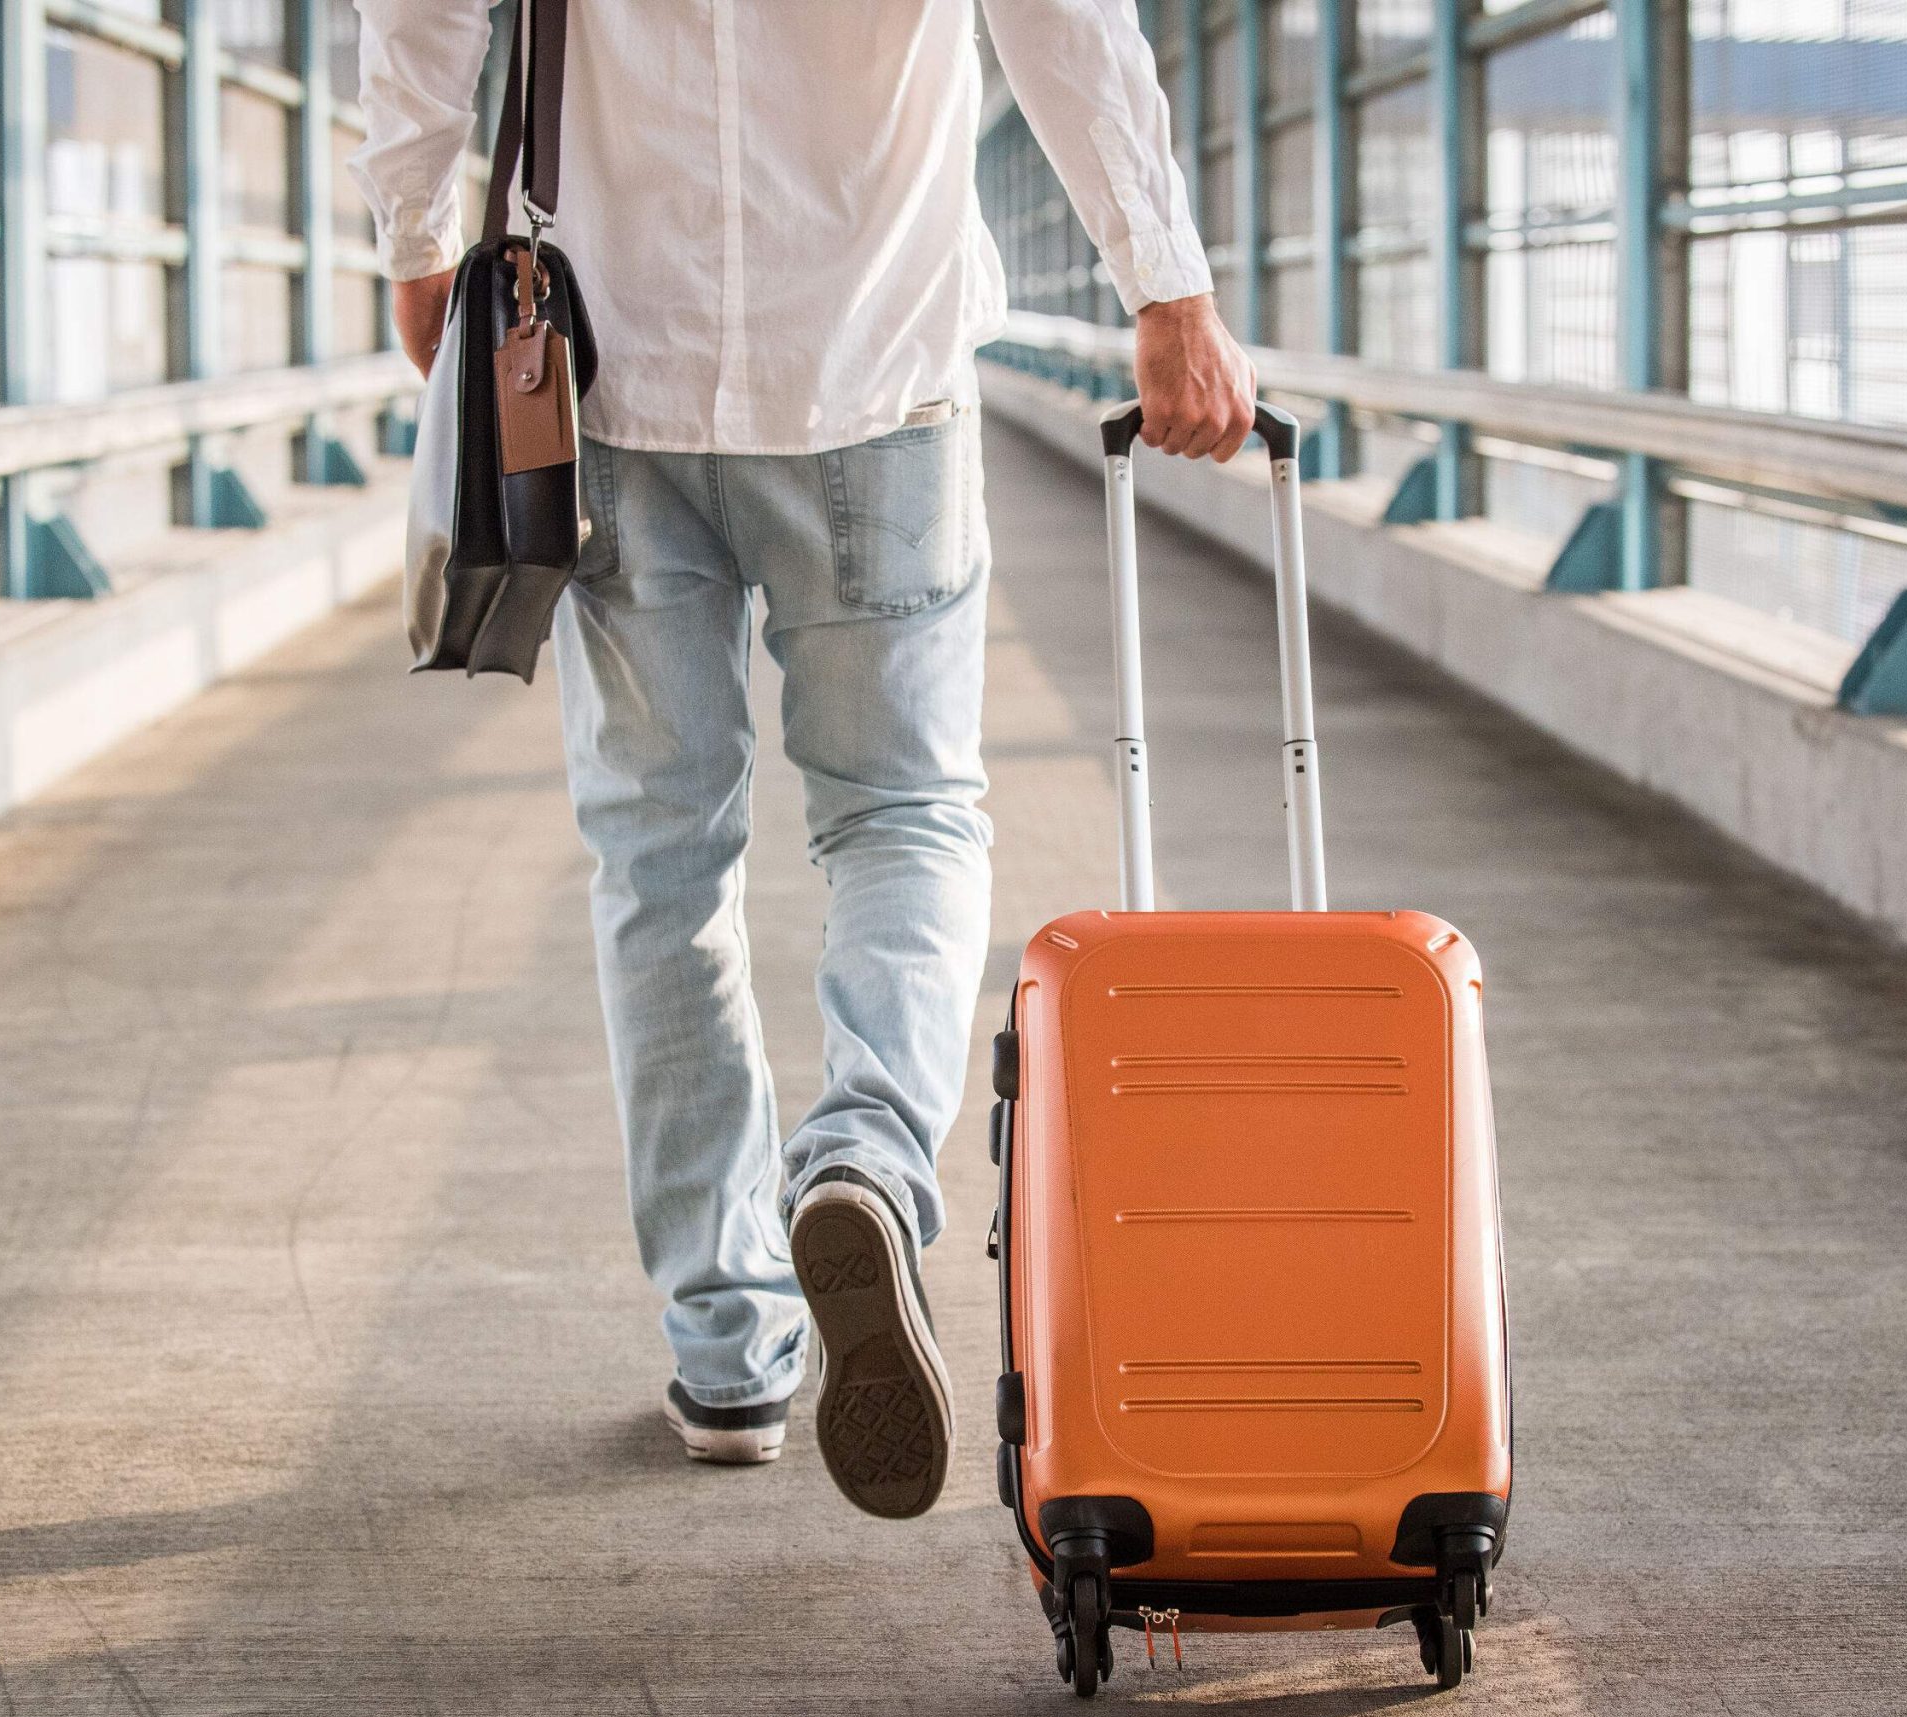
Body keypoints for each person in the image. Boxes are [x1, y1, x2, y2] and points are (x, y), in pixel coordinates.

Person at [349, 0, 1254, 1520]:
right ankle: (869, 1162)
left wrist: (419, 238)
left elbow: (425, 14)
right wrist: (1164, 284)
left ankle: (728, 1346)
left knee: (659, 862)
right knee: (903, 812)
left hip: (612, 372)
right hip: (874, 363)